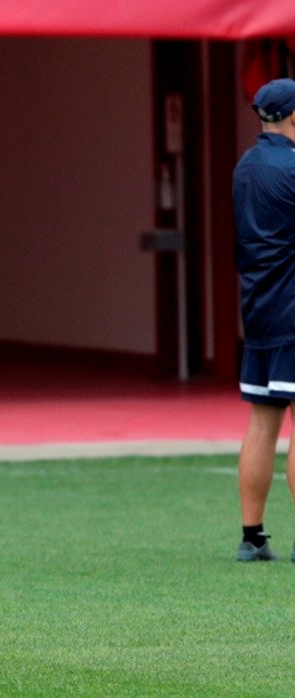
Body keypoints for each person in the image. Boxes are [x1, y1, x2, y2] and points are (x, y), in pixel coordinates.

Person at [231, 77, 295, 562]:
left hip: (258, 310)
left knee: (261, 423)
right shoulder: (292, 167)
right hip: (293, 309)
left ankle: (252, 537)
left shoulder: (245, 166)